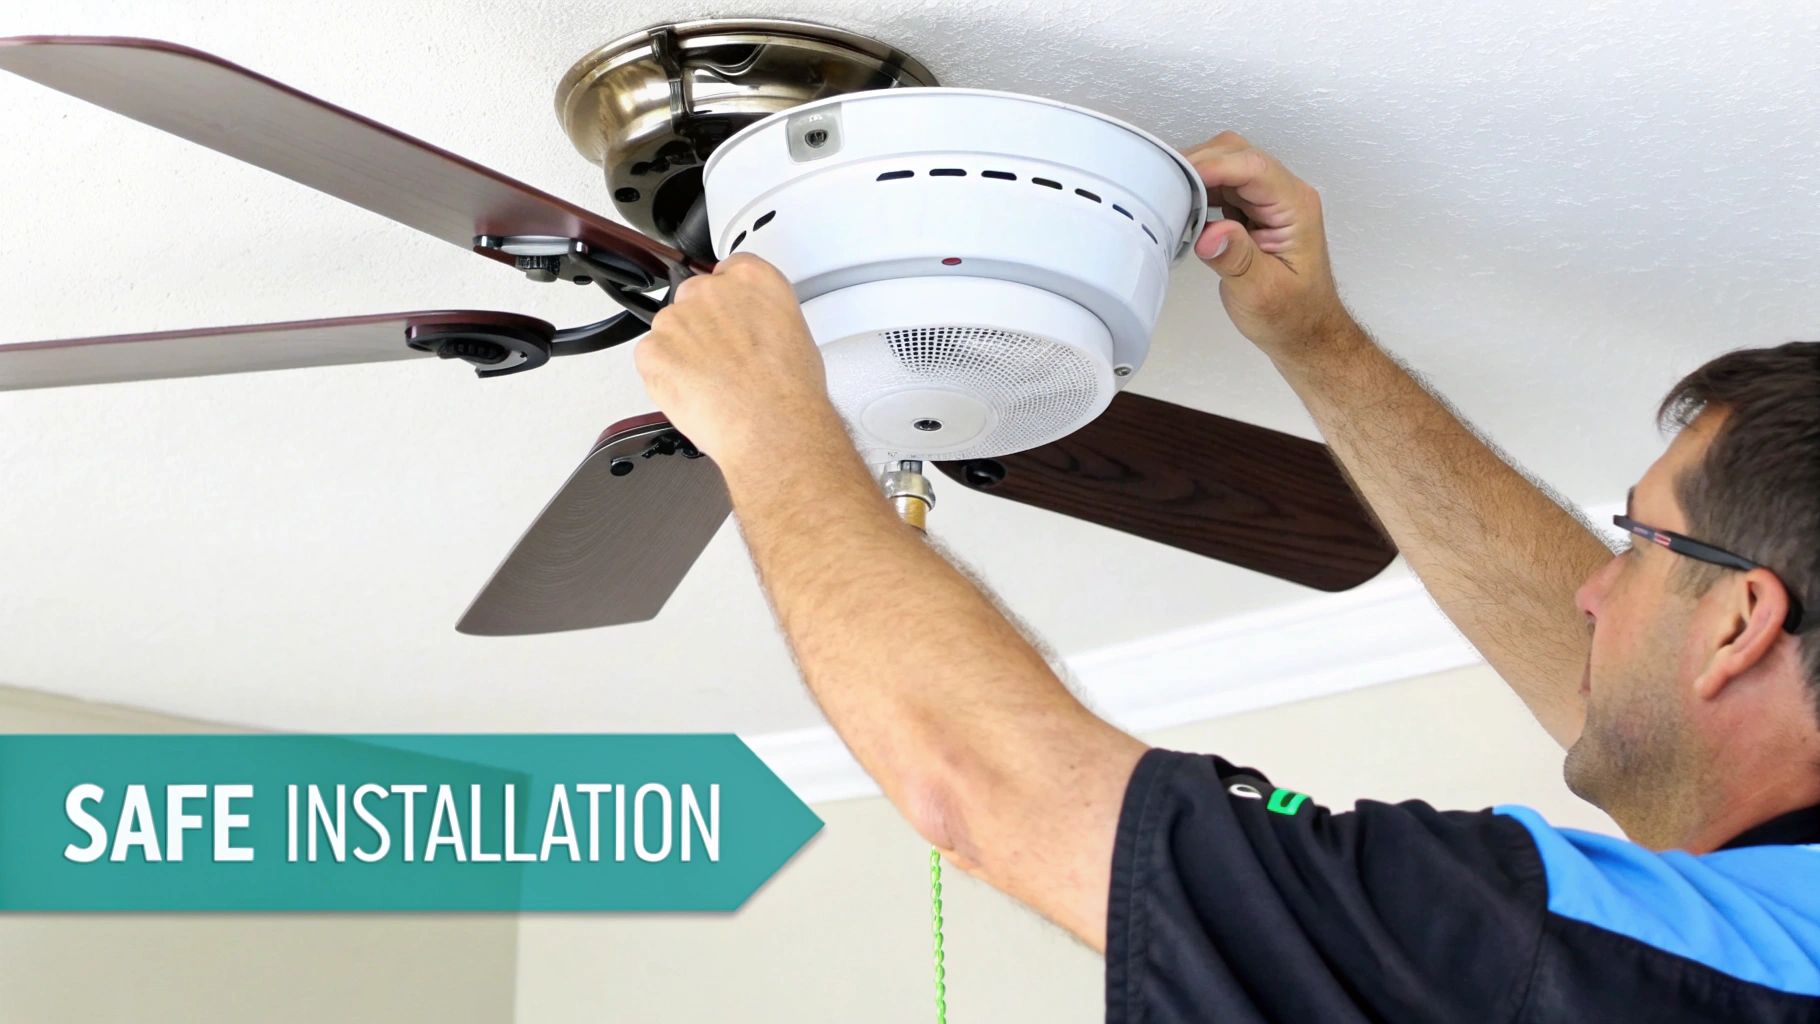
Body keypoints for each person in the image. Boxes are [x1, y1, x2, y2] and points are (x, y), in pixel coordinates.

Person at [632, 132, 1820, 1022]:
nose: (1591, 590)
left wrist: (770, 424)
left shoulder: (1559, 948)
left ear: (1738, 626)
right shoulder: (1736, 945)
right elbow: (1630, 688)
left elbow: (985, 789)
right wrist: (1316, 342)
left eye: (1635, 545)